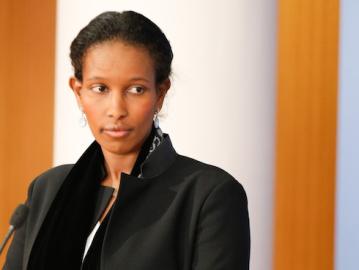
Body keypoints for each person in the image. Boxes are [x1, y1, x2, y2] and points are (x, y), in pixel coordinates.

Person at [3, 10, 250, 270]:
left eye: (136, 90)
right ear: (78, 92)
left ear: (160, 94)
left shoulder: (209, 195)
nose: (116, 109)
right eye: (100, 88)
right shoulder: (47, 189)